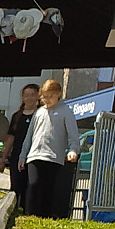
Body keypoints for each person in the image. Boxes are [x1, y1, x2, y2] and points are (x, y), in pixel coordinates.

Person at [22, 78, 81, 219]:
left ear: (58, 94)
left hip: (53, 157)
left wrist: (73, 150)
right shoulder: (39, 112)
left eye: (50, 96)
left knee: (48, 188)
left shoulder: (65, 112)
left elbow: (73, 135)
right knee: (33, 184)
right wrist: (23, 155)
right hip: (35, 155)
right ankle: (30, 216)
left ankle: (45, 217)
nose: (47, 100)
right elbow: (29, 136)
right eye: (44, 97)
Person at [0, 83, 41, 210]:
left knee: (32, 186)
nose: (29, 98)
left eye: (32, 95)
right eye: (26, 95)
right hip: (17, 156)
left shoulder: (41, 114)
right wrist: (4, 158)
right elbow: (11, 138)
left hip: (35, 155)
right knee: (16, 186)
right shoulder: (17, 116)